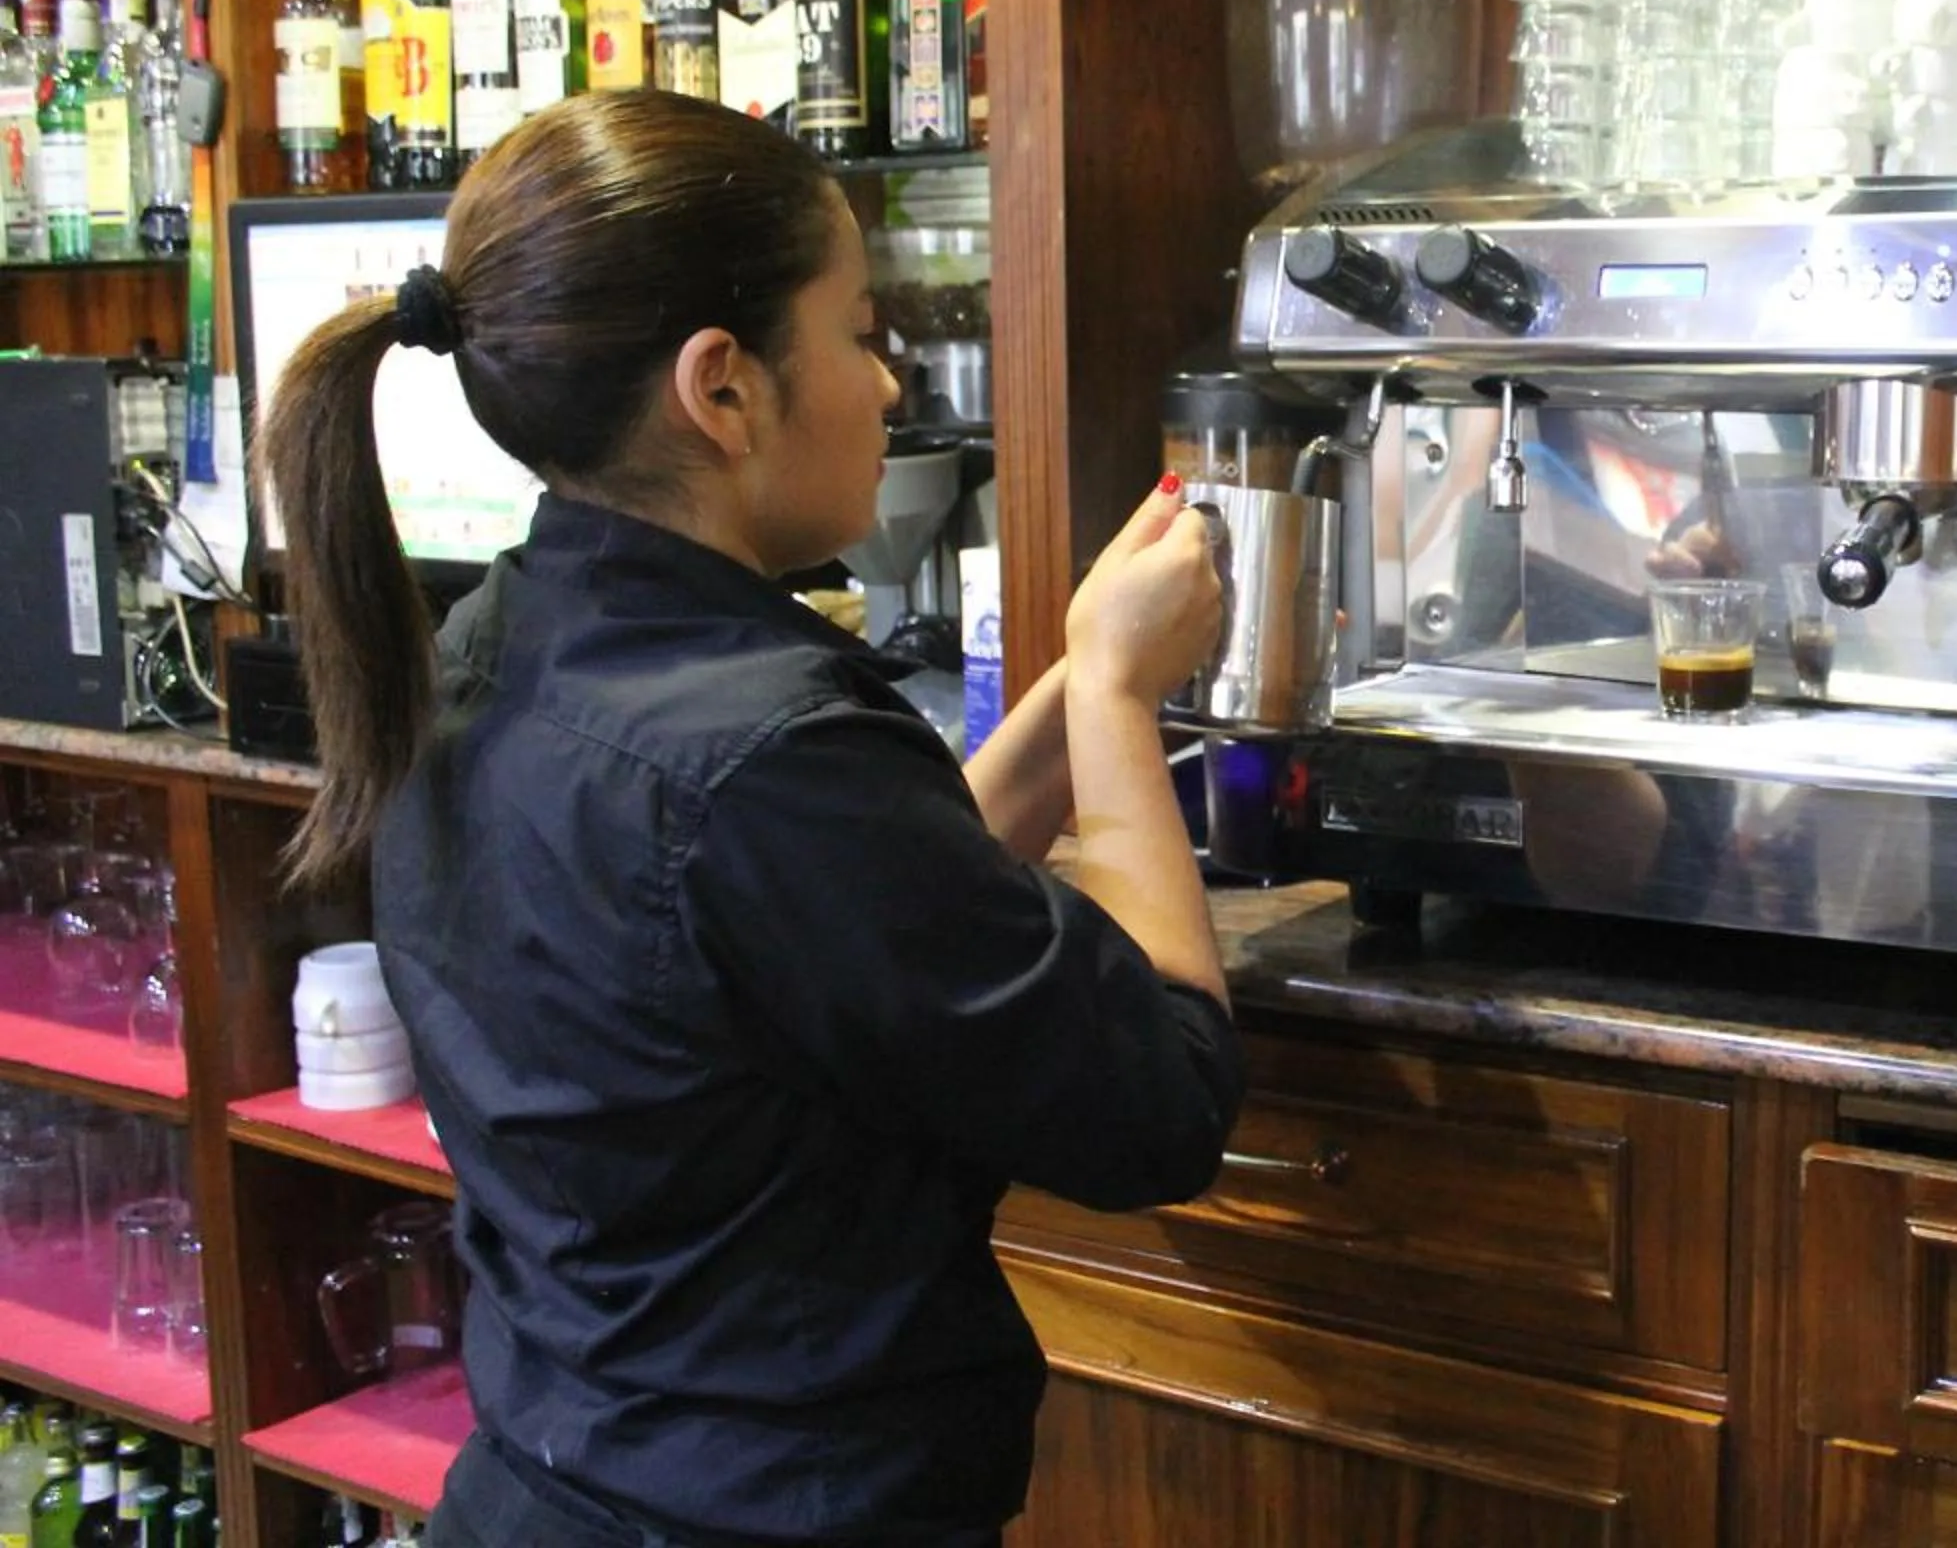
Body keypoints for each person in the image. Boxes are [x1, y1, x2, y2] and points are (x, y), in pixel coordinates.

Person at [256, 90, 1243, 1547]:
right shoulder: (765, 754)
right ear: (722, 388)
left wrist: (1083, 666)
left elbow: (828, 921)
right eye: (857, 333)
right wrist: (1109, 701)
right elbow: (1161, 1105)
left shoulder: (491, 646)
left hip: (547, 1489)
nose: (890, 385)